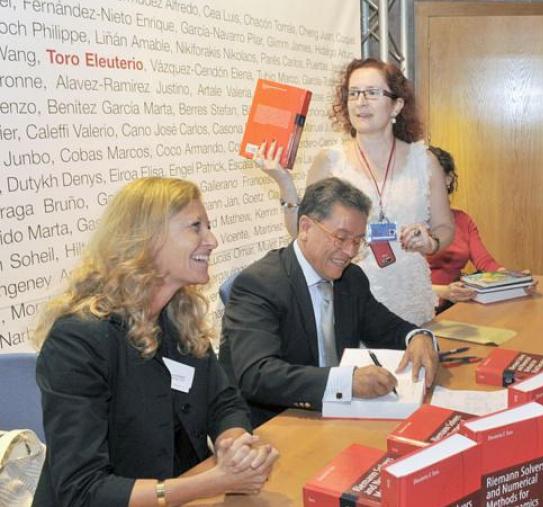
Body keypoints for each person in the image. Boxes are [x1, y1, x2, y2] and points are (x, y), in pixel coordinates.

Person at [31, 177, 278, 506]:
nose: (212, 240)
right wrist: (212, 483)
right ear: (148, 239)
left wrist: (232, 444)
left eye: (209, 226)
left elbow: (224, 403)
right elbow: (82, 490)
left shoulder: (178, 317)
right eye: (196, 227)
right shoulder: (77, 341)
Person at [219, 177, 440, 427]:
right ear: (305, 228)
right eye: (340, 237)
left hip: (339, 416)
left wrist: (418, 337)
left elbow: (386, 327)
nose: (349, 252)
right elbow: (258, 374)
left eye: (357, 241)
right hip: (280, 423)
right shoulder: (260, 283)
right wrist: (346, 382)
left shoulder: (351, 278)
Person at [259, 58, 455, 326]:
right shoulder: (329, 161)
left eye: (372, 93)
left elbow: (445, 227)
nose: (361, 101)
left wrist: (430, 241)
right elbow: (301, 233)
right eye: (354, 93)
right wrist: (284, 183)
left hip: (411, 300)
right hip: (348, 300)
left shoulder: (424, 161)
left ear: (396, 104)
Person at [426, 146, 537, 309]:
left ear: (448, 179)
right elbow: (399, 285)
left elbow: (485, 262)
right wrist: (444, 292)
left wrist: (517, 281)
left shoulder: (463, 220)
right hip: (419, 310)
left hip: (453, 306)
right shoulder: (406, 223)